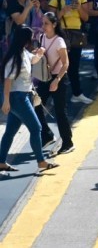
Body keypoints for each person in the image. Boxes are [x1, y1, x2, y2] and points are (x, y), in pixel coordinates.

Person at [0, 26, 58, 174]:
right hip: (18, 97)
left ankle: (1, 162)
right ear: (25, 39)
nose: (32, 41)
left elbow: (33, 60)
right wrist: (6, 101)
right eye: (31, 38)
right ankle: (41, 161)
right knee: (36, 128)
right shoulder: (15, 58)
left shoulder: (23, 53)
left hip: (22, 96)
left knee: (10, 132)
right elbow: (7, 80)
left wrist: (40, 53)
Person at [33, 12, 74, 155]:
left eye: (46, 23)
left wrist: (57, 80)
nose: (43, 26)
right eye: (42, 23)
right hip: (46, 77)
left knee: (60, 111)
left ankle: (68, 142)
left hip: (59, 78)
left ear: (54, 25)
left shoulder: (59, 42)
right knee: (36, 104)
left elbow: (66, 63)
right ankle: (47, 135)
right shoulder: (42, 37)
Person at [50, 0, 91, 104]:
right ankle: (54, 94)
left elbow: (86, 17)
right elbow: (50, 19)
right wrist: (62, 11)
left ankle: (76, 93)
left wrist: (78, 8)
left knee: (73, 65)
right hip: (61, 35)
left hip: (76, 34)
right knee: (57, 66)